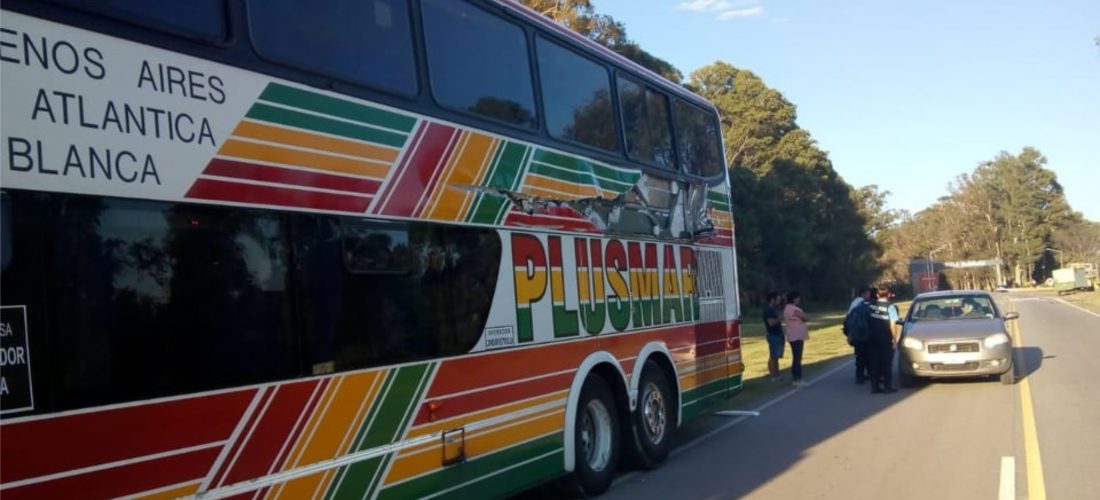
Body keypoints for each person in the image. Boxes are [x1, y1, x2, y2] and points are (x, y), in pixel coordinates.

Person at [867, 285, 900, 393]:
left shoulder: (871, 305)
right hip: (885, 338)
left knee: (874, 362)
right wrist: (895, 339)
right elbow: (893, 324)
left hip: (872, 337)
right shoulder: (890, 306)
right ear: (888, 294)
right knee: (886, 362)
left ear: (877, 294)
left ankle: (874, 387)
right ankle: (887, 386)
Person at [844, 286, 874, 384]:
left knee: (862, 356)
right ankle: (863, 376)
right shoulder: (860, 304)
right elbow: (851, 320)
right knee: (864, 356)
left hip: (858, 334)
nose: (869, 295)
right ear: (863, 294)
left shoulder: (856, 303)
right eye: (868, 293)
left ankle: (862, 375)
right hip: (861, 333)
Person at [783, 291, 809, 387]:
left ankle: (796, 378)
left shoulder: (787, 308)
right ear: (794, 299)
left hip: (793, 335)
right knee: (797, 358)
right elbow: (806, 317)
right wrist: (804, 316)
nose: (799, 299)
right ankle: (797, 379)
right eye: (797, 298)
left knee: (796, 358)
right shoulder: (794, 309)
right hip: (796, 336)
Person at [763, 292, 785, 382]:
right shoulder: (768, 310)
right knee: (773, 356)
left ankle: (777, 374)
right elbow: (771, 323)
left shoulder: (774, 309)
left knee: (776, 356)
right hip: (773, 335)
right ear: (772, 300)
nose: (779, 301)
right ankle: (773, 376)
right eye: (778, 299)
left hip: (778, 334)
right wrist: (779, 318)